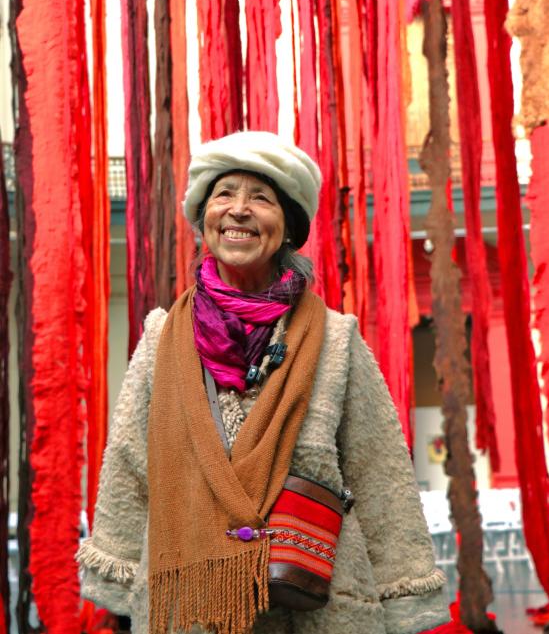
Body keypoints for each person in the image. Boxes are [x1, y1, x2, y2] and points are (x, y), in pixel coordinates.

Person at [78, 131, 451, 634]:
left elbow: (379, 469)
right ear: (204, 217)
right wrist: (116, 566)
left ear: (289, 227)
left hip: (314, 599)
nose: (239, 210)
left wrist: (403, 587)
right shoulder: (161, 335)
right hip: (191, 603)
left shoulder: (336, 340)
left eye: (261, 198)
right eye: (224, 194)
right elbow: (129, 461)